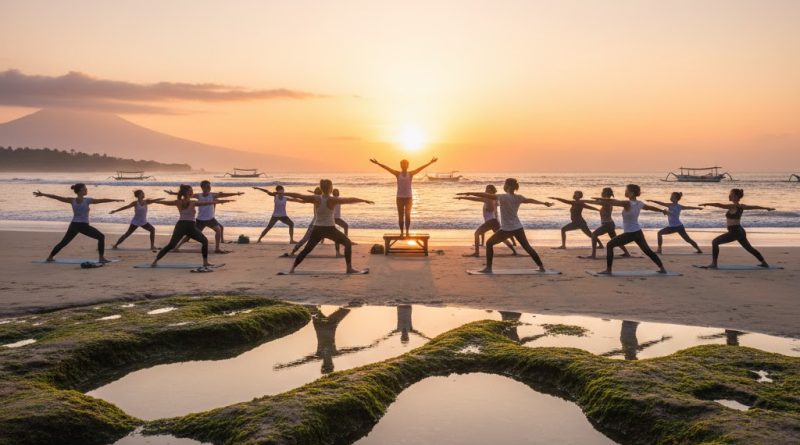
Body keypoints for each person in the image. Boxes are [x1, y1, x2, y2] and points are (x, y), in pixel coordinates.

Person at [458, 178, 553, 273]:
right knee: (527, 247)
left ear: (507, 186)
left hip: (507, 229)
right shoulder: (518, 197)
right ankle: (541, 267)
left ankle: (488, 268)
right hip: (518, 227)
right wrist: (543, 203)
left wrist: (469, 193)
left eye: (504, 184)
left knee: (489, 243)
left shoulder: (502, 197)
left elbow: (484, 195)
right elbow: (530, 200)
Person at [282, 179, 373, 273]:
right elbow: (349, 200)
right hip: (330, 229)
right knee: (347, 243)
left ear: (321, 188)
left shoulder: (316, 198)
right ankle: (349, 268)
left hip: (317, 229)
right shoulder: (332, 200)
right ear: (330, 188)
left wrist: (282, 193)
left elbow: (298, 195)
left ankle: (292, 269)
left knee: (307, 249)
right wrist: (363, 200)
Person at [34, 183, 124, 263]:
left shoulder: (72, 200)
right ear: (81, 190)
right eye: (85, 188)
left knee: (64, 242)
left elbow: (56, 197)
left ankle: (50, 257)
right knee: (101, 237)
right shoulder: (87, 200)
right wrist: (114, 199)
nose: (87, 190)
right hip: (83, 225)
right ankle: (101, 258)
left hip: (74, 225)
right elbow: (101, 200)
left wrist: (43, 194)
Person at [150, 184, 233, 269]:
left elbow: (165, 203)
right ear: (185, 192)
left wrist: (154, 201)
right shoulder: (192, 202)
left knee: (173, 245)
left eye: (191, 190)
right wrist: (217, 202)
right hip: (189, 226)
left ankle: (155, 261)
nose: (191, 192)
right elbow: (206, 203)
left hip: (182, 225)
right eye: (190, 191)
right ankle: (205, 262)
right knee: (201, 241)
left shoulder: (178, 202)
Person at [595, 184, 668, 275]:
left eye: (627, 191)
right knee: (647, 251)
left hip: (630, 233)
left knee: (610, 245)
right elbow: (649, 208)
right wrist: (662, 211)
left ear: (632, 193)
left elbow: (614, 202)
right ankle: (662, 268)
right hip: (638, 232)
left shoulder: (627, 203)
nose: (625, 192)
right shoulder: (639, 203)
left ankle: (608, 270)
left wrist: (601, 199)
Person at [700, 188, 774, 268]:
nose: (729, 196)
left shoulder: (733, 206)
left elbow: (720, 205)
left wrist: (707, 204)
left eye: (731, 194)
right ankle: (764, 263)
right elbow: (755, 207)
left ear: (735, 197)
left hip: (735, 232)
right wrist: (766, 208)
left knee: (715, 242)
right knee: (749, 248)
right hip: (740, 231)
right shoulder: (742, 206)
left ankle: (714, 264)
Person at [165, 180, 243, 253]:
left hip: (210, 219)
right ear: (203, 188)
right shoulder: (198, 195)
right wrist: (173, 193)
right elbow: (186, 194)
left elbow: (223, 195)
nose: (209, 188)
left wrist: (236, 194)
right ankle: (177, 247)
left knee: (218, 230)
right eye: (207, 186)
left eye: (209, 186)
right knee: (189, 235)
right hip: (200, 220)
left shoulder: (212, 195)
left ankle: (217, 249)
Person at [369, 156, 438, 236]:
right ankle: (402, 233)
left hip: (409, 198)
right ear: (400, 166)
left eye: (405, 164)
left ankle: (407, 232)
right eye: (402, 164)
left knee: (408, 216)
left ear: (408, 166)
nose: (404, 166)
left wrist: (430, 163)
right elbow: (387, 168)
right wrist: (377, 163)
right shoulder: (398, 174)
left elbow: (420, 168)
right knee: (400, 216)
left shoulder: (410, 174)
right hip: (399, 198)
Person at [455, 184, 517, 257]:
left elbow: (476, 197)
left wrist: (464, 196)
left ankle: (477, 253)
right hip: (494, 222)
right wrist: (462, 197)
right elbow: (474, 199)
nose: (485, 190)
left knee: (477, 234)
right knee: (501, 237)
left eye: (487, 189)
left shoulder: (488, 199)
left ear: (490, 190)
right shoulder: (493, 199)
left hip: (490, 222)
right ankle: (514, 251)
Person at [587, 187, 631, 259]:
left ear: (606, 193)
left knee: (594, 235)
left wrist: (584, 201)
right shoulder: (608, 202)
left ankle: (593, 255)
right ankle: (627, 253)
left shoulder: (606, 203)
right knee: (616, 240)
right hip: (609, 224)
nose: (601, 193)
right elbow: (599, 201)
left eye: (603, 192)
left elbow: (597, 202)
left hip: (607, 225)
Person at [289, 187, 322, 256]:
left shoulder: (319, 198)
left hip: (320, 223)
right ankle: (294, 251)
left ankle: (294, 251)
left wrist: (295, 199)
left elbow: (304, 200)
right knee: (306, 239)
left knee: (305, 239)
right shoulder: (320, 199)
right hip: (317, 223)